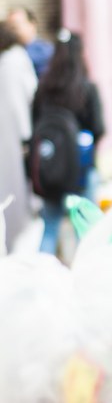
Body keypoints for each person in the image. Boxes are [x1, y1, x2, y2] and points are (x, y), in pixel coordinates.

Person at [31, 29, 105, 255]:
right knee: (84, 230)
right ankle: (85, 281)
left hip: (51, 171)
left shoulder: (43, 89)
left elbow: (34, 126)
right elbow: (99, 128)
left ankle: (41, 281)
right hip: (82, 170)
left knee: (50, 227)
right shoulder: (86, 88)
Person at [0, 21, 37, 251]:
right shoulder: (15, 60)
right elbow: (25, 99)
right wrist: (27, 136)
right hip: (17, 137)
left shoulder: (8, 61)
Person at [7, 6, 54, 79]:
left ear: (32, 24)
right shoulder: (13, 50)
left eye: (16, 26)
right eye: (9, 27)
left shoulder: (43, 50)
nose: (12, 30)